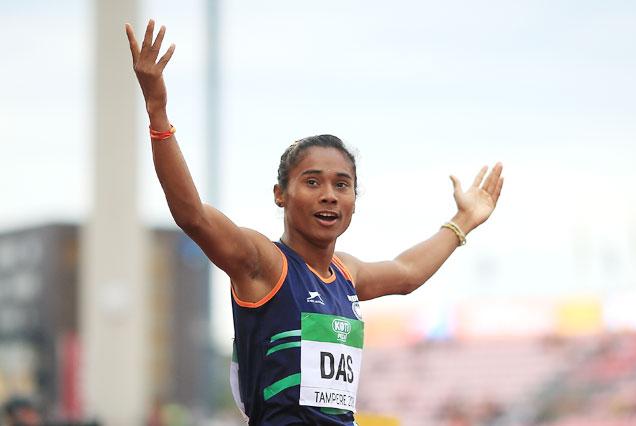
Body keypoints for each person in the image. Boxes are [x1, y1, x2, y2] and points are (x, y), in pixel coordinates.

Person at [125, 19, 504, 426]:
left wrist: (462, 221)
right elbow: (193, 215)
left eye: (342, 185)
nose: (329, 195)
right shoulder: (265, 264)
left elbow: (408, 272)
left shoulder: (346, 273)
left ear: (355, 200)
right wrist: (157, 113)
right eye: (312, 182)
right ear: (280, 195)